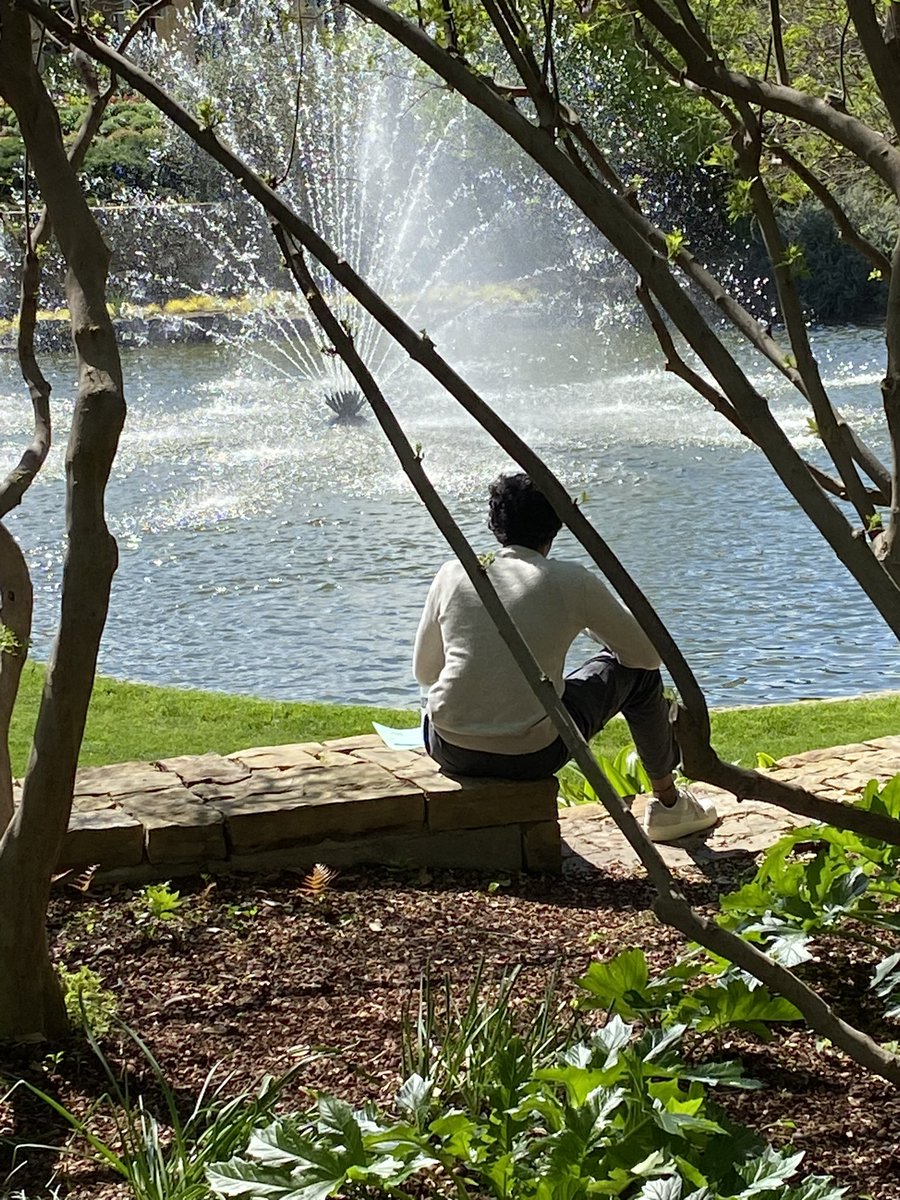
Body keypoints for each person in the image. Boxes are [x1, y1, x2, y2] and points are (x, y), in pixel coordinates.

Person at [412, 472, 717, 843]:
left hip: (449, 746)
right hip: (531, 754)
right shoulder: (571, 580)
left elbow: (425, 672)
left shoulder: (455, 571)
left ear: (496, 525)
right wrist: (588, 625)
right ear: (556, 525)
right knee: (639, 676)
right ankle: (669, 805)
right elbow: (646, 656)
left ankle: (670, 804)